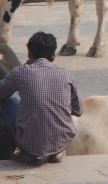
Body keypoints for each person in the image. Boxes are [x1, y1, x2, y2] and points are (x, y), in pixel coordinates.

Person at [0, 31, 81, 164]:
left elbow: (1, 93)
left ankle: (26, 152)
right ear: (53, 56)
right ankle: (57, 151)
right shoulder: (67, 75)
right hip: (63, 142)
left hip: (30, 146)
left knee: (11, 99)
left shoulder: (20, 72)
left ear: (29, 55)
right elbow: (78, 110)